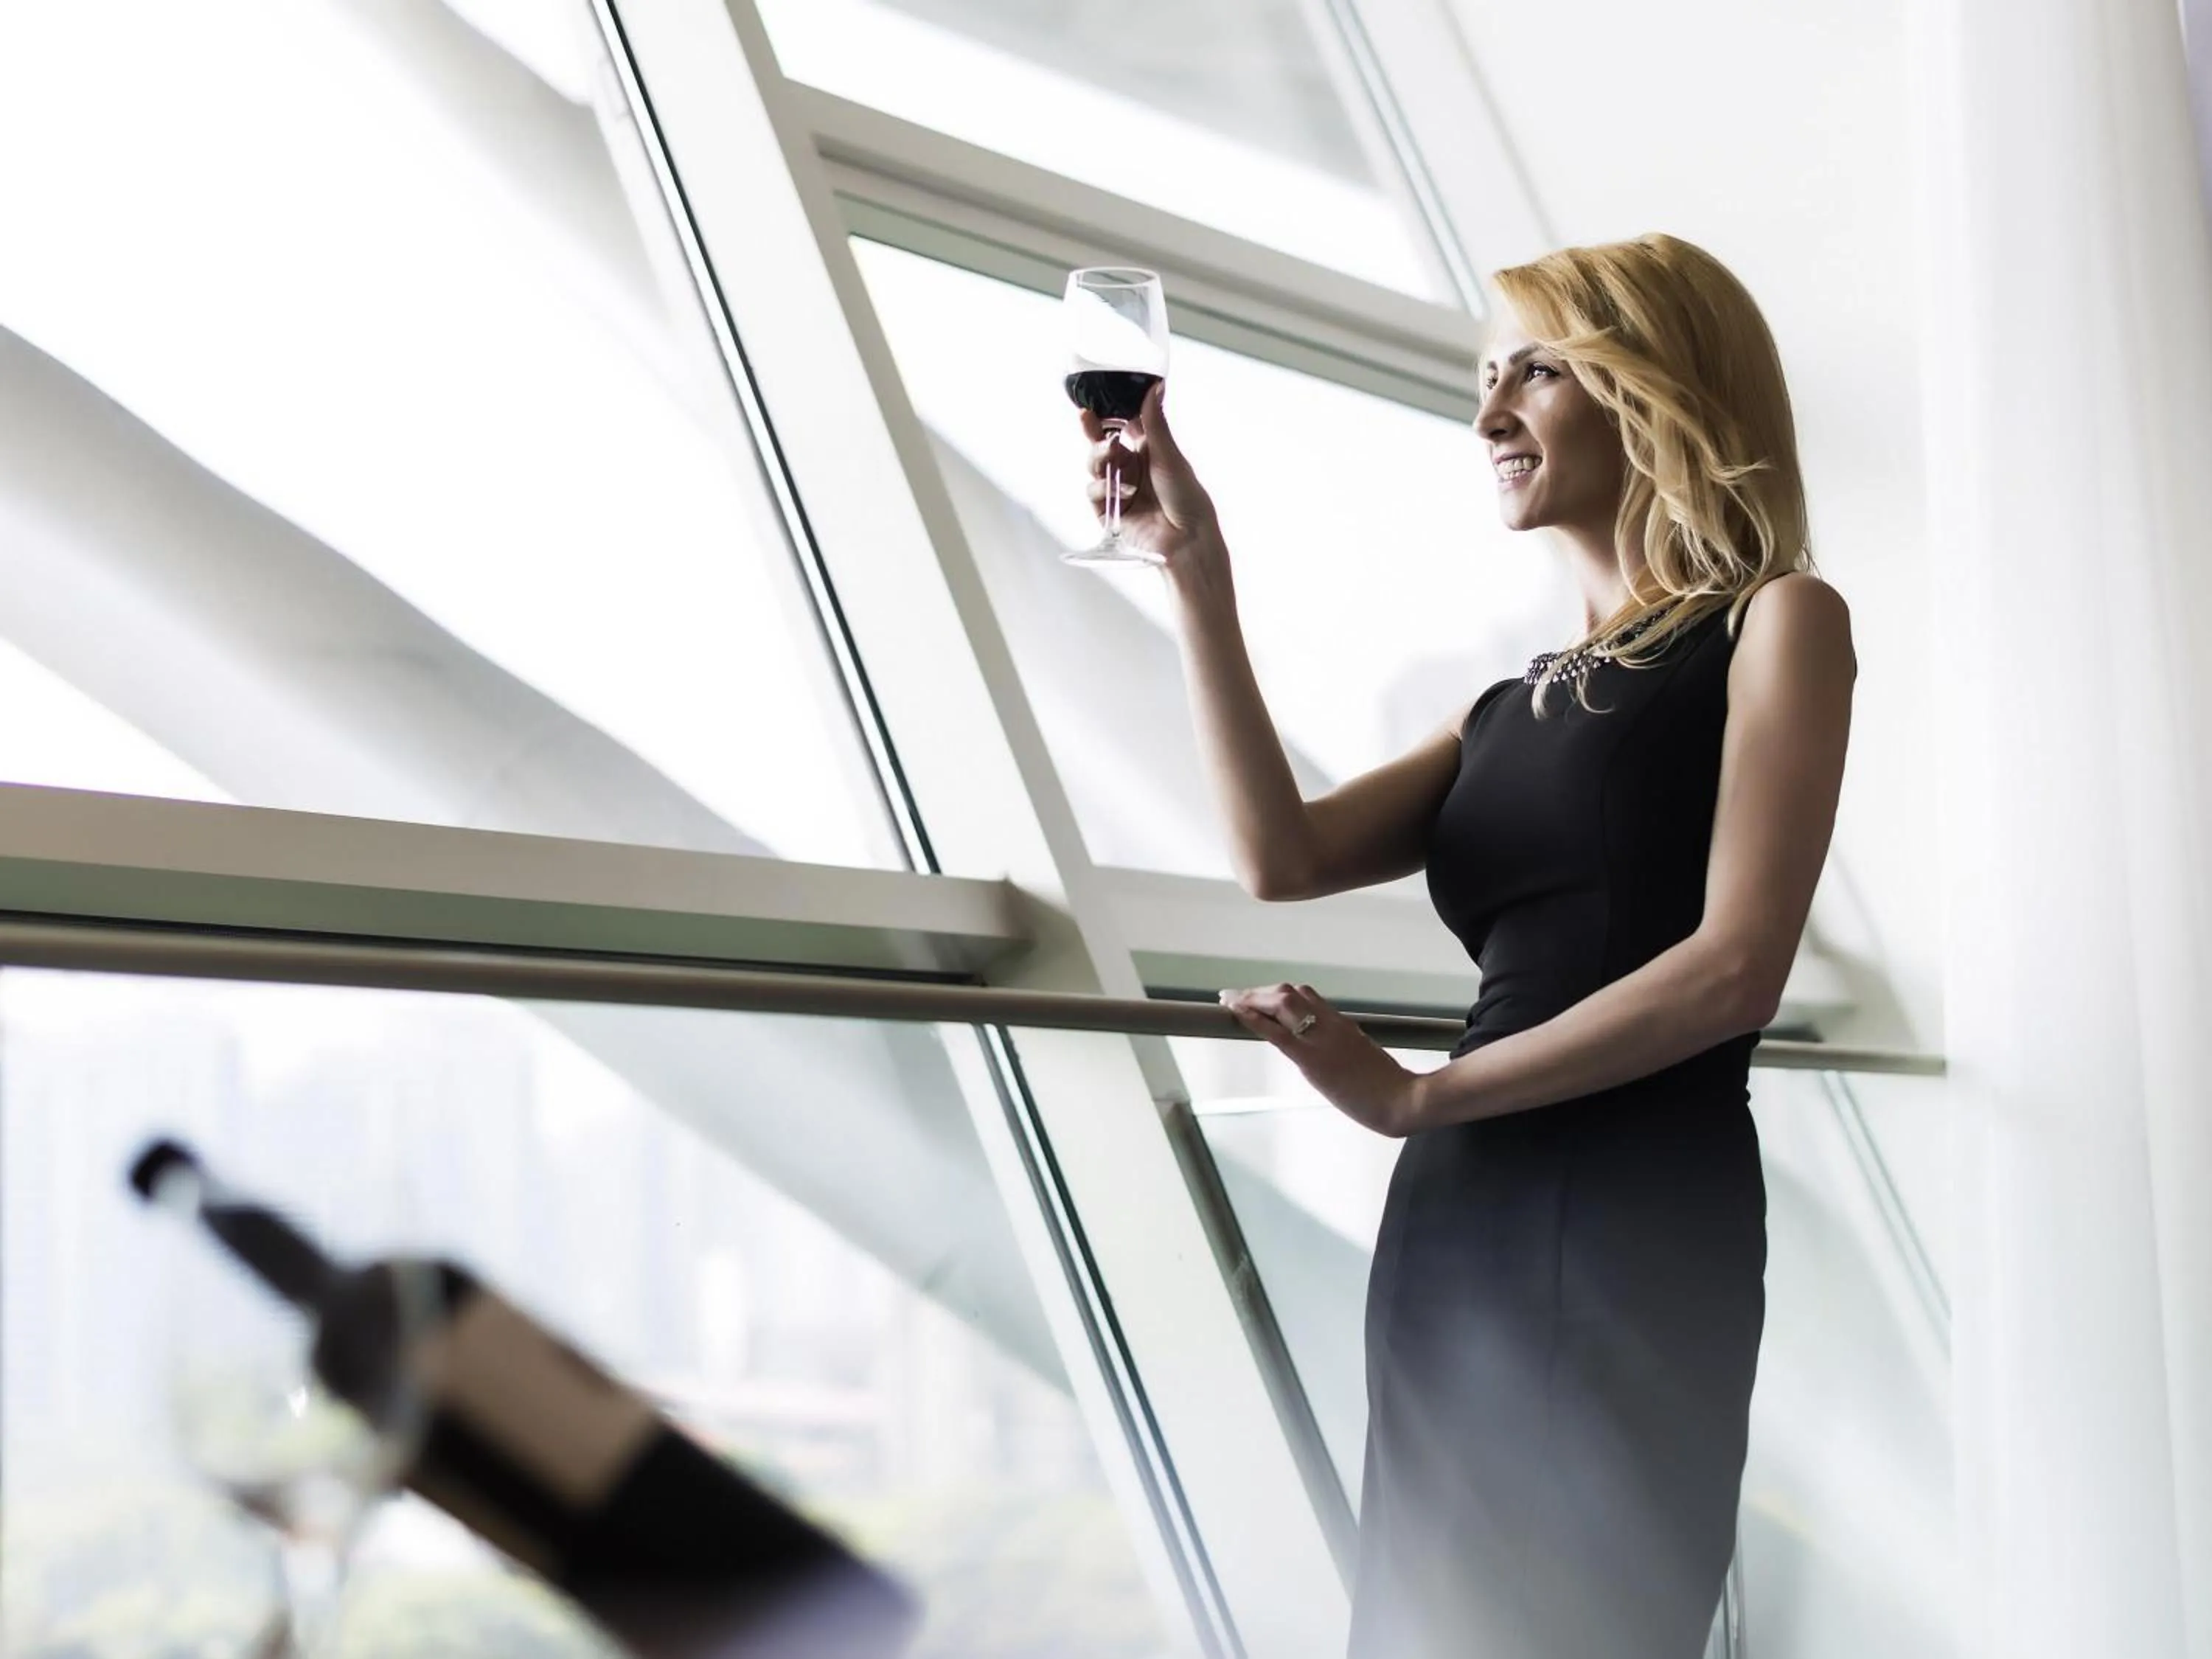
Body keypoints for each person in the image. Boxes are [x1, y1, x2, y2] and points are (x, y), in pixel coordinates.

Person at [1077, 232, 1855, 1658]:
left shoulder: (1775, 624)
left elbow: (1737, 967)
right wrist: (1194, 570)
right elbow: (1280, 857)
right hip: (1459, 1223)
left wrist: (1418, 1095)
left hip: (1634, 1216)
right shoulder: (1508, 706)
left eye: (1536, 372)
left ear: (1655, 387)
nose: (1488, 412)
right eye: (1486, 377)